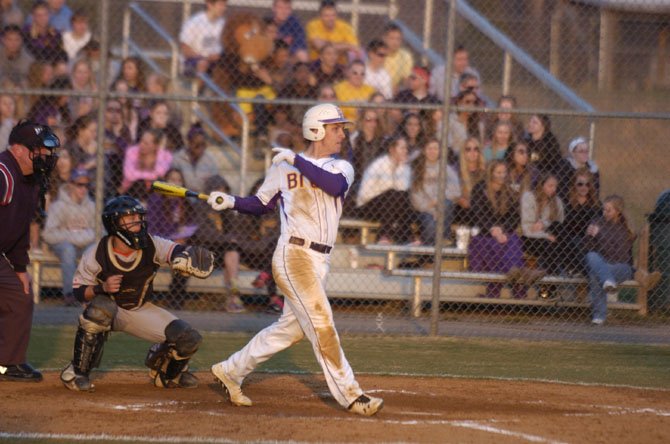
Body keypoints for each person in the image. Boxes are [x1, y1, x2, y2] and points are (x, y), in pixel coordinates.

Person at [207, 103, 384, 416]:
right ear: (316, 130)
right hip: (294, 254)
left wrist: (296, 159)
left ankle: (231, 370)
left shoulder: (341, 167)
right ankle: (352, 395)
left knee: (291, 329)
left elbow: (333, 187)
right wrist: (231, 201)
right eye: (335, 128)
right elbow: (261, 204)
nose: (342, 133)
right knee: (322, 323)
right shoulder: (284, 167)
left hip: (320, 260)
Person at [58, 195, 214, 391]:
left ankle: (166, 373)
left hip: (139, 309)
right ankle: (76, 373)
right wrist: (101, 288)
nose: (137, 222)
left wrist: (190, 255)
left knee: (189, 338)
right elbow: (79, 292)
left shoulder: (151, 244)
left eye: (138, 217)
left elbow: (176, 250)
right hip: (109, 311)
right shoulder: (97, 252)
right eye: (129, 219)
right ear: (114, 224)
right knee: (101, 309)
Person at [0, 120, 60, 382]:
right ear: (19, 150)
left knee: (20, 295)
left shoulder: (30, 180)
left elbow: (21, 228)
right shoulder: (3, 172)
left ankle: (8, 363)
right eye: (39, 150)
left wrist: (21, 268)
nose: (45, 157)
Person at [468, 160, 528, 299]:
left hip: (504, 234)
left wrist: (503, 230)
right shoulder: (479, 189)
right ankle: (518, 282)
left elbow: (514, 218)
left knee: (513, 240)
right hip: (484, 234)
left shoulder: (510, 191)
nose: (502, 176)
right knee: (496, 245)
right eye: (498, 172)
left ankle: (511, 278)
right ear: (491, 173)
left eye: (504, 172)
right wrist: (492, 229)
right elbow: (477, 215)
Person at [42, 168, 95, 306]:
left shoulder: (92, 206)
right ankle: (70, 293)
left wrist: (79, 237)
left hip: (84, 244)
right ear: (71, 184)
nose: (83, 189)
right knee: (68, 250)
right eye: (79, 185)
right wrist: (72, 236)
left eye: (86, 185)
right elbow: (48, 234)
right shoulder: (58, 206)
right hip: (62, 245)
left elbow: (99, 232)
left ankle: (90, 292)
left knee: (94, 249)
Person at [355, 135, 417, 245]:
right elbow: (365, 194)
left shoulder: (405, 167)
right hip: (369, 205)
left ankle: (389, 236)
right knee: (392, 194)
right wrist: (388, 190)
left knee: (401, 196)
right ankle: (401, 236)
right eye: (402, 148)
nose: (405, 151)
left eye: (406, 148)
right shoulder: (379, 164)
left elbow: (403, 191)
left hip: (393, 208)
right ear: (392, 149)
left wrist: (400, 167)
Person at [583, 195, 635, 325]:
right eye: (603, 209)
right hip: (601, 263)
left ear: (617, 211)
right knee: (591, 256)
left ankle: (599, 316)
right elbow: (588, 248)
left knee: (596, 273)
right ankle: (607, 281)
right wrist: (589, 236)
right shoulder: (597, 222)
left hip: (621, 267)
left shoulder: (624, 228)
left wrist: (599, 235)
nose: (604, 213)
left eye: (608, 210)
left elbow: (618, 255)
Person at [411, 138, 461, 245]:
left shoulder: (446, 168)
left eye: (435, 148)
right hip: (425, 209)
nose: (432, 151)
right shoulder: (418, 169)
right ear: (424, 151)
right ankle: (431, 254)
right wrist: (431, 208)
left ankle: (443, 238)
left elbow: (456, 190)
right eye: (429, 148)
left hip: (443, 207)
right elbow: (415, 197)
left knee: (446, 203)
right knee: (430, 225)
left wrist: (438, 200)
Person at [557, 168, 600, 276]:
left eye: (587, 184)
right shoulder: (566, 203)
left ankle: (582, 271)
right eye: (580, 184)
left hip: (589, 241)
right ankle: (583, 271)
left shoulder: (596, 204)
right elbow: (563, 226)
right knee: (576, 241)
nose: (584, 187)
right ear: (574, 185)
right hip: (570, 242)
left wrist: (595, 227)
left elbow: (600, 222)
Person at [520, 173, 565, 276]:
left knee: (557, 229)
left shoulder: (557, 201)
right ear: (541, 185)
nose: (553, 189)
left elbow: (559, 224)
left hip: (552, 237)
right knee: (550, 246)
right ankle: (551, 280)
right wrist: (546, 236)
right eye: (550, 186)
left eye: (555, 186)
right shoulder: (529, 197)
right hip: (530, 238)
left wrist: (544, 224)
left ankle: (552, 280)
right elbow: (528, 228)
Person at [179, 0, 227, 76]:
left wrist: (218, 56)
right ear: (209, 5)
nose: (224, 8)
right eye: (221, 5)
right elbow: (185, 48)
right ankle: (197, 88)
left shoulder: (223, 24)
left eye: (225, 5)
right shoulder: (195, 21)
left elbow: (224, 48)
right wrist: (202, 57)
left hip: (216, 61)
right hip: (193, 60)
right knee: (203, 64)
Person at [306, 0, 362, 65]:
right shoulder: (313, 25)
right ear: (320, 16)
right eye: (326, 16)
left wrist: (326, 45)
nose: (330, 19)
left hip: (339, 64)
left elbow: (355, 48)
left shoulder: (345, 27)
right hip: (318, 63)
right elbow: (319, 46)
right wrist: (346, 45)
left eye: (333, 15)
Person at [170, 123, 219, 193]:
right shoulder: (178, 158)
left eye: (203, 145)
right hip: (183, 196)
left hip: (203, 197)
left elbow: (215, 182)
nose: (200, 148)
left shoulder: (209, 160)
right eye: (197, 145)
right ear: (189, 143)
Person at [454, 137, 485, 227]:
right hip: (463, 209)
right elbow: (453, 194)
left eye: (476, 149)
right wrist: (460, 199)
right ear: (463, 152)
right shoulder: (456, 170)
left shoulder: (486, 171)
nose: (473, 153)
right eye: (468, 149)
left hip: (482, 208)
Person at [557, 136, 600, 201]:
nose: (585, 154)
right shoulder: (565, 167)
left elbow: (596, 190)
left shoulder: (592, 168)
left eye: (586, 151)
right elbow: (563, 190)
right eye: (581, 151)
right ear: (573, 153)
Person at [382, 22, 413, 94]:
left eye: (398, 39)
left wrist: (400, 88)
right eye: (392, 38)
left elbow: (407, 80)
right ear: (384, 39)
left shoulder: (405, 56)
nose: (395, 42)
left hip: (397, 90)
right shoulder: (379, 54)